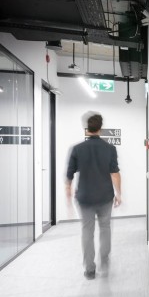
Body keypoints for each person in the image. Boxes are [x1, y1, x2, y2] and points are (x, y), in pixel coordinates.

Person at [65, 113, 122, 279]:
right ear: (100, 128)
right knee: (105, 228)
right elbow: (115, 173)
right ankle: (104, 261)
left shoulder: (77, 149)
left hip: (84, 198)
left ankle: (90, 270)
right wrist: (119, 194)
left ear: (87, 128)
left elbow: (69, 176)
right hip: (105, 197)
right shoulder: (110, 149)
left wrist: (68, 196)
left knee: (87, 232)